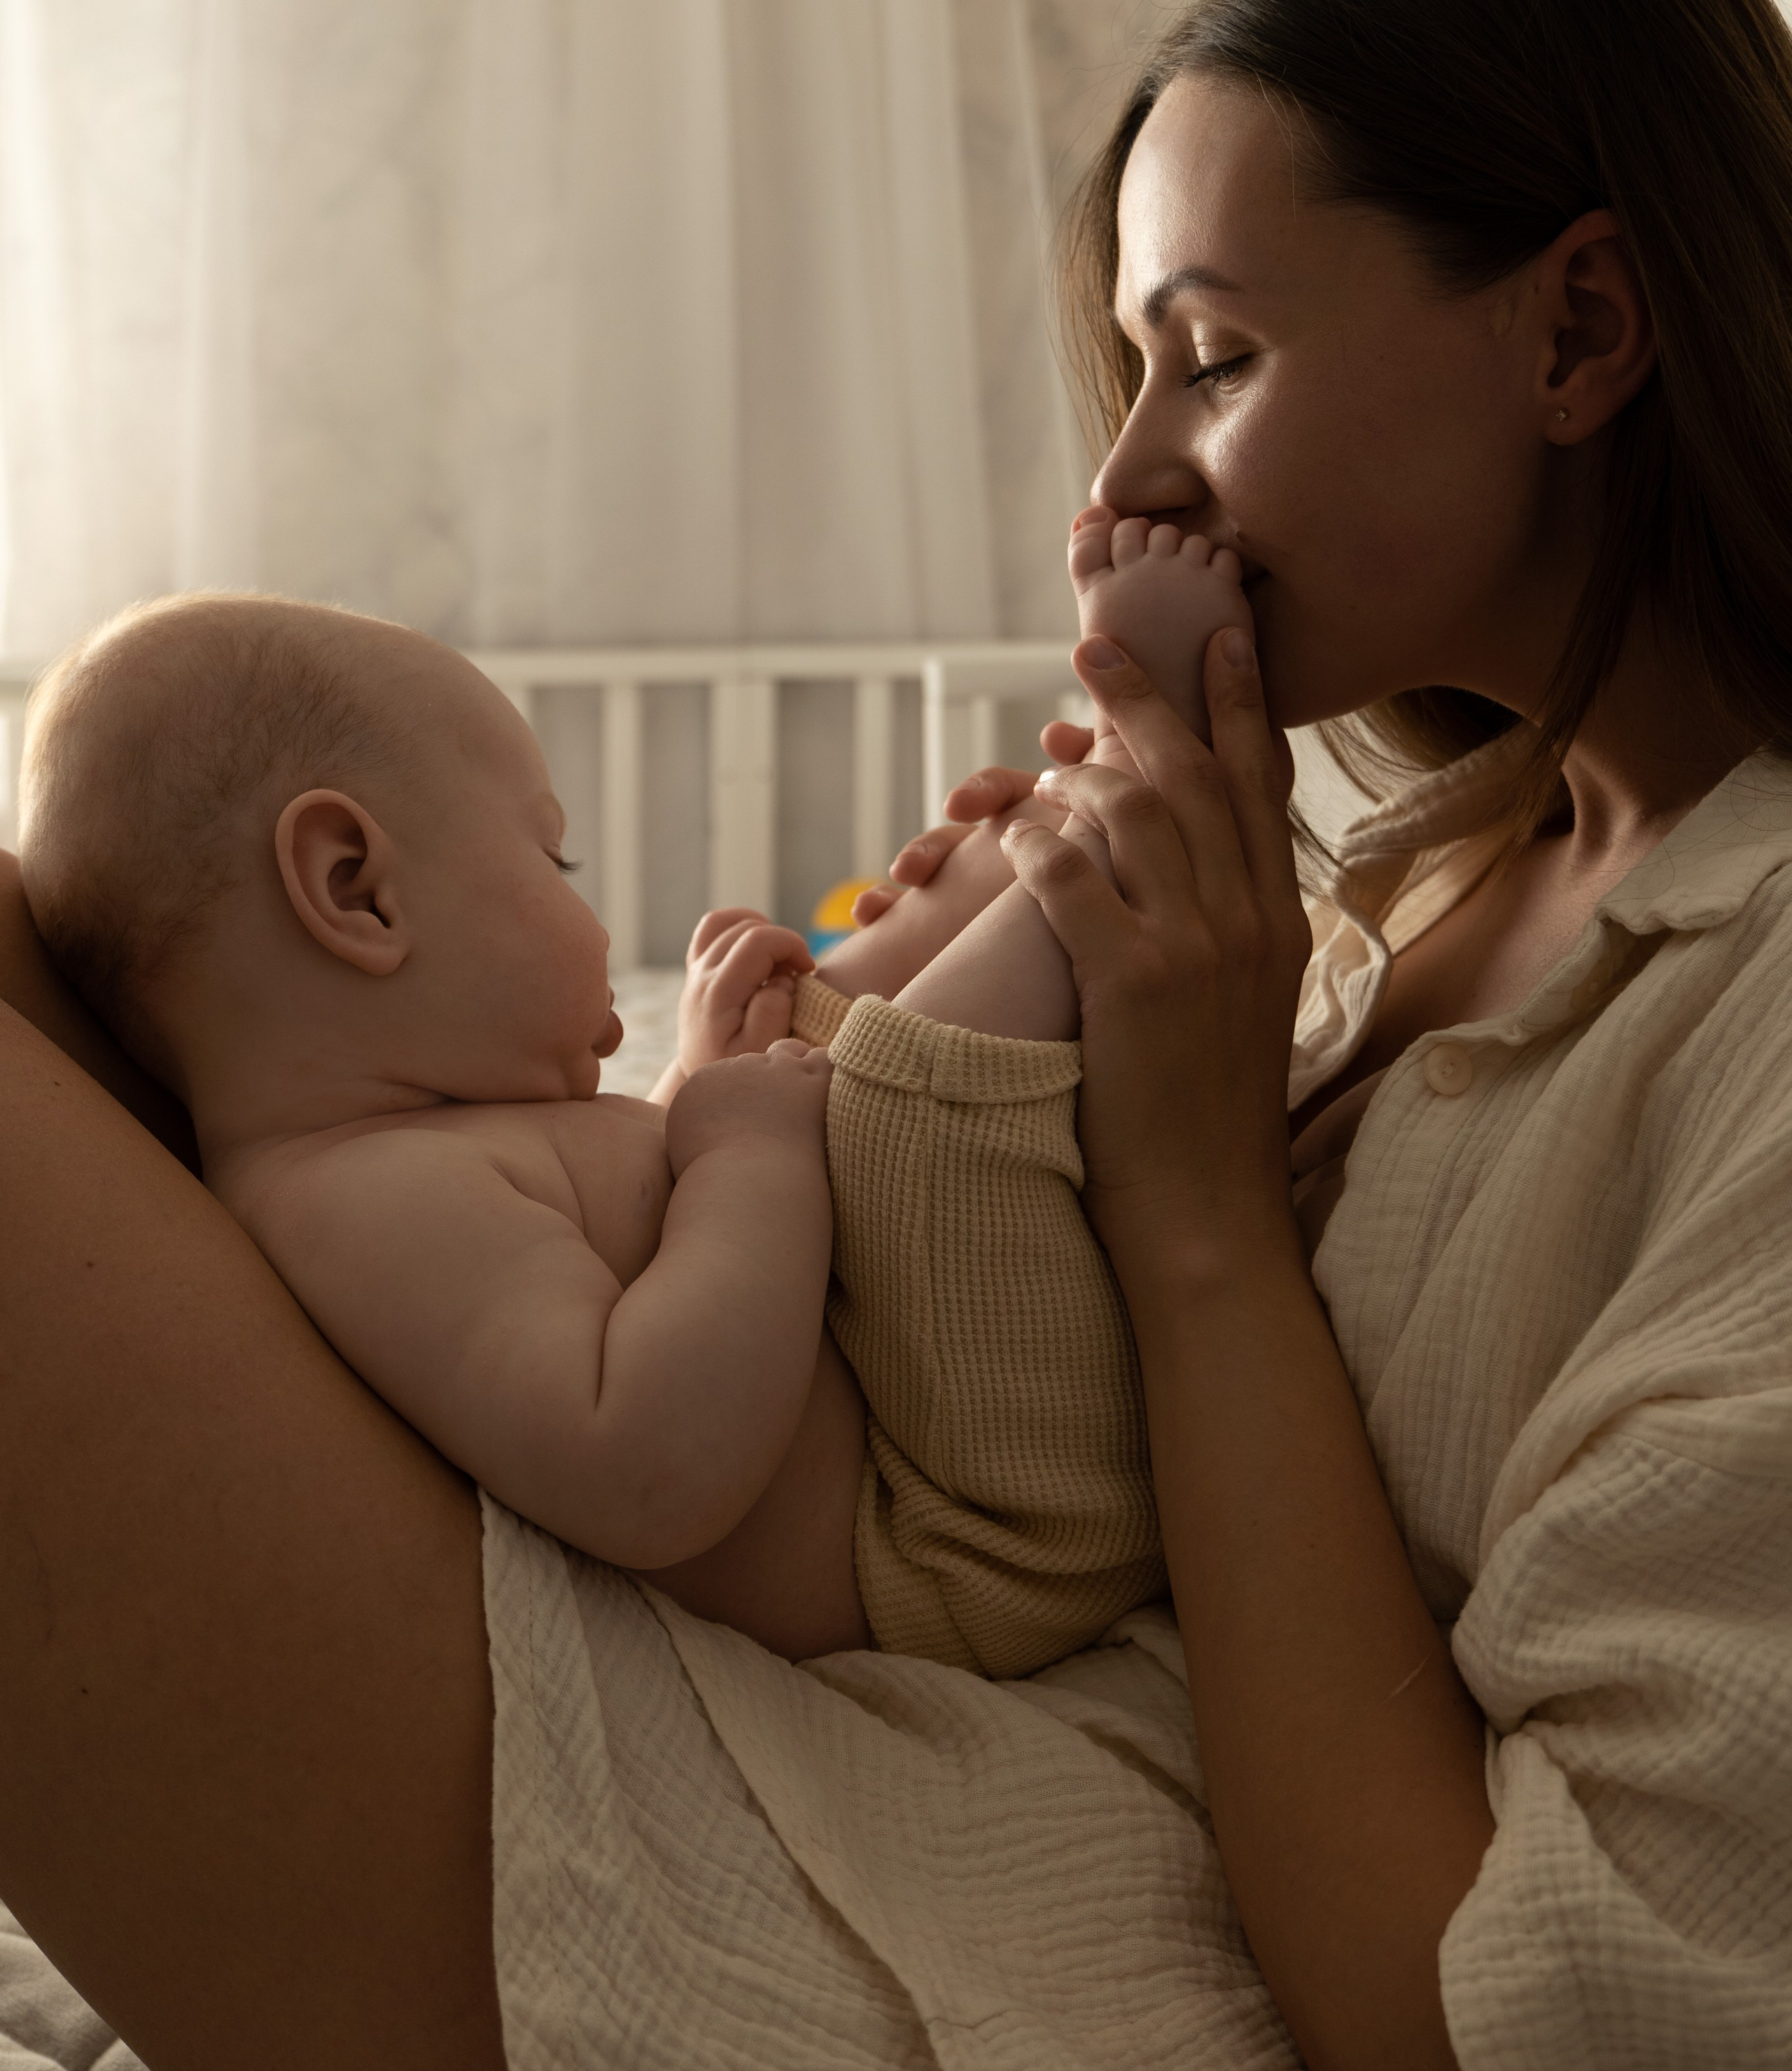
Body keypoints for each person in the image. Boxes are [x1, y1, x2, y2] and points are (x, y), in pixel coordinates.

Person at [1, 0, 1788, 2071]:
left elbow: (1498, 2046)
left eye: (1213, 360)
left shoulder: (1749, 1022)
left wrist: (1200, 1196)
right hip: (862, 1704)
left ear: (1578, 330)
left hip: (965, 1919)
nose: (1122, 478)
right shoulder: (1451, 865)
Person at [13, 518, 1246, 1683]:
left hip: (909, 1393)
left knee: (847, 985)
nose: (583, 906)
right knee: (884, 1089)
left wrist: (693, 1085)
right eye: (552, 858)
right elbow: (643, 1459)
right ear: (358, 894)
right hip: (961, 1525)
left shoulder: (413, 1140)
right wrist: (745, 1162)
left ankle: (1089, 799)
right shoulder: (354, 1205)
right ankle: (1152, 768)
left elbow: (622, 1244)